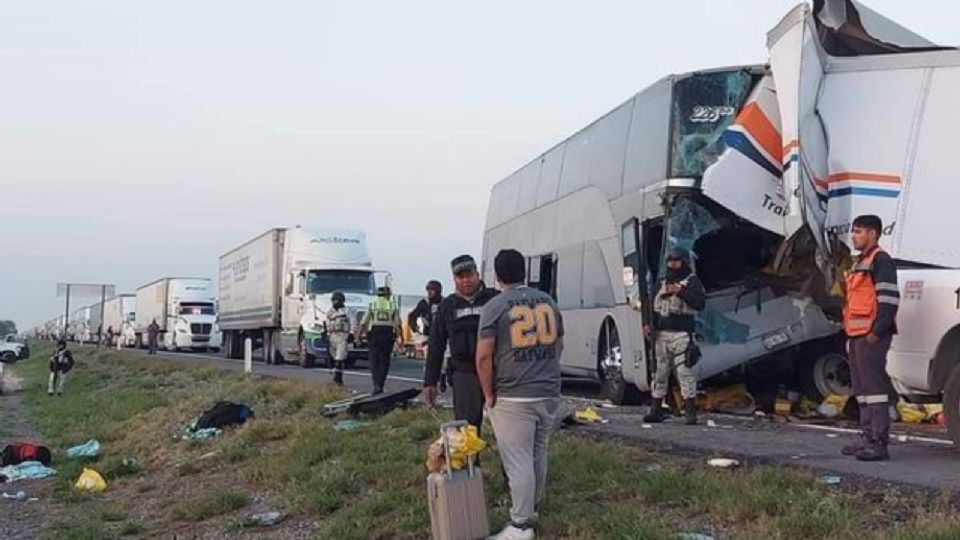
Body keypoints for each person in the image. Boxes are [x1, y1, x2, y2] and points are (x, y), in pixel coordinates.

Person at [476, 249, 564, 540]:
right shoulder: (548, 301)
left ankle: (521, 524)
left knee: (518, 460)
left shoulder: (495, 306)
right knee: (539, 452)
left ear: (497, 276)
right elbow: (559, 345)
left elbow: (484, 357)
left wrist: (488, 394)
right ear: (524, 271)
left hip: (514, 393)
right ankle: (533, 507)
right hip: (548, 390)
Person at [842, 214, 899, 462]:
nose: (854, 236)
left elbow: (888, 301)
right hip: (857, 336)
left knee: (874, 389)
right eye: (853, 231)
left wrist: (876, 332)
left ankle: (879, 441)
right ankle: (867, 437)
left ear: (873, 234)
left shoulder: (881, 260)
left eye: (859, 231)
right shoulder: (860, 262)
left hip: (871, 336)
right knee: (862, 390)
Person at [422, 255, 499, 433]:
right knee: (467, 426)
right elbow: (436, 344)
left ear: (477, 274)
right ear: (454, 279)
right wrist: (430, 381)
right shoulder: (448, 306)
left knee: (504, 426)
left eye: (469, 275)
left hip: (496, 371)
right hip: (464, 372)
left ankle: (510, 461)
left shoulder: (495, 300)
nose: (466, 281)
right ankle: (471, 461)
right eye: (460, 277)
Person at [642, 249, 706, 426]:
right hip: (660, 334)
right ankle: (655, 409)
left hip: (681, 334)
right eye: (669, 260)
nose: (672, 264)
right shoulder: (661, 282)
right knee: (659, 372)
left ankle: (690, 412)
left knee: (684, 373)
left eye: (676, 260)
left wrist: (680, 291)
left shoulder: (692, 282)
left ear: (683, 261)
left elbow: (700, 303)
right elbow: (650, 305)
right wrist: (647, 323)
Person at [360, 286, 401, 394]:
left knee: (374, 360)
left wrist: (359, 335)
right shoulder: (392, 305)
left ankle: (376, 385)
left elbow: (364, 322)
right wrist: (401, 338)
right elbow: (397, 324)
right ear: (387, 295)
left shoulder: (372, 304)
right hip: (387, 333)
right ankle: (381, 385)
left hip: (375, 332)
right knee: (385, 360)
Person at [325, 291, 352, 386]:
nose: (334, 302)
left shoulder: (347, 311)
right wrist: (325, 334)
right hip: (332, 336)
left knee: (339, 358)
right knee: (333, 357)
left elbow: (353, 322)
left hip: (342, 336)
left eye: (336, 300)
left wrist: (351, 334)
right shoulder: (330, 312)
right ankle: (337, 377)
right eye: (333, 300)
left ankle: (337, 378)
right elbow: (326, 323)